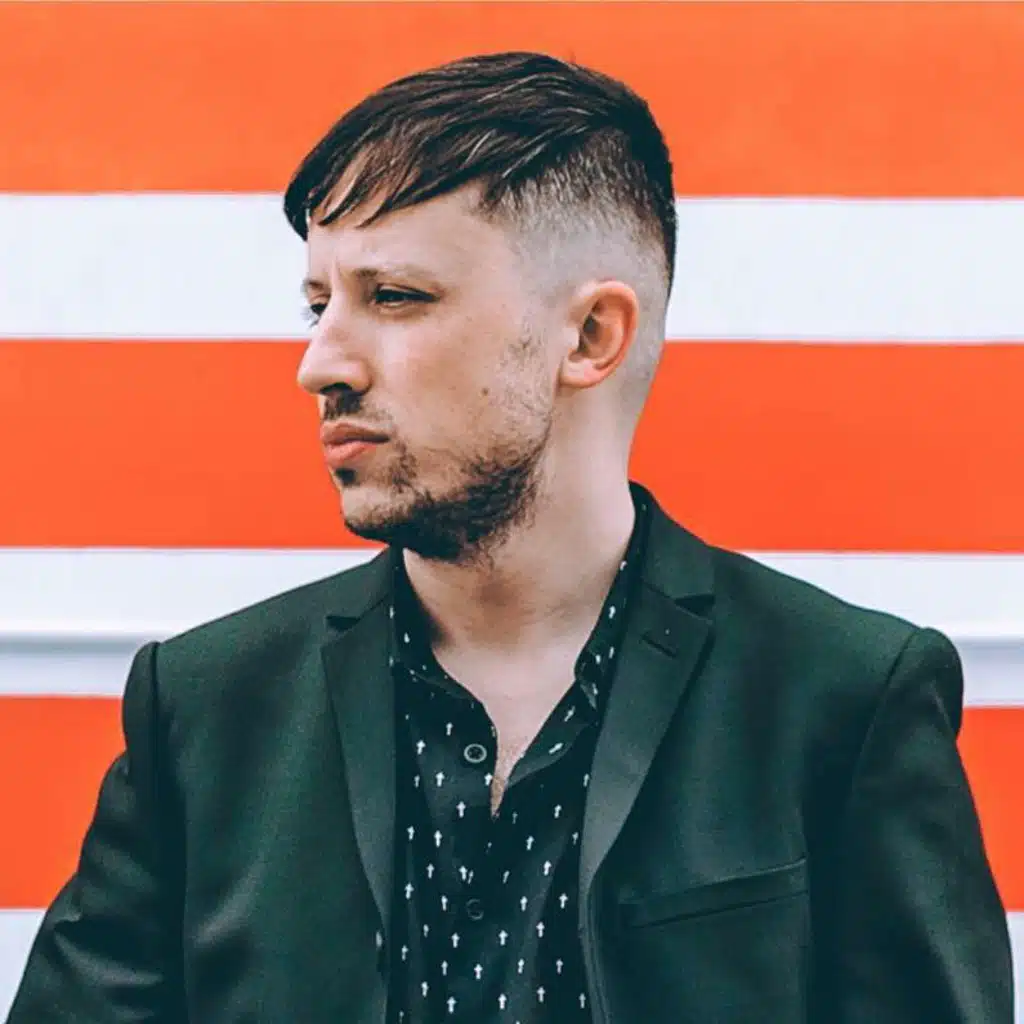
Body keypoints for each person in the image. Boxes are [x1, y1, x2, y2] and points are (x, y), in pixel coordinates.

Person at [7, 51, 1012, 1024]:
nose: (321, 363)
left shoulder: (841, 696)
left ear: (590, 336)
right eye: (318, 305)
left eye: (394, 297)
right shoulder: (203, 707)